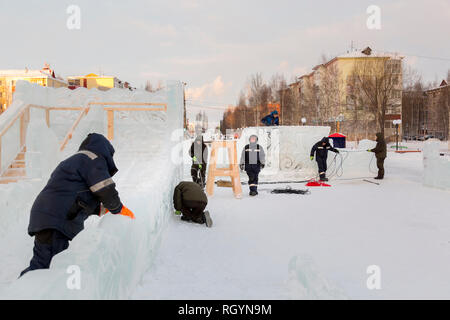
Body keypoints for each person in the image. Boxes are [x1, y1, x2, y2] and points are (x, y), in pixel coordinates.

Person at [20, 133, 135, 277]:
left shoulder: (76, 161)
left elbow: (73, 194)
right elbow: (104, 188)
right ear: (105, 151)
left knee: (44, 264)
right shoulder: (92, 159)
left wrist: (100, 209)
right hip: (55, 219)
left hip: (49, 215)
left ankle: (23, 290)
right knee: (46, 268)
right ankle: (21, 292)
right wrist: (118, 208)